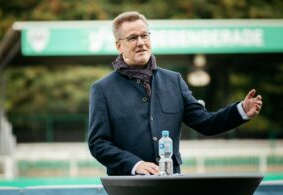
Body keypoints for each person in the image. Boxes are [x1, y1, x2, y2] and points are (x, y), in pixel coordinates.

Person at [88, 11, 263, 176]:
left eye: (145, 35)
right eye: (133, 38)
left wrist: (240, 111)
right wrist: (135, 164)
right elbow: (98, 143)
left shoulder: (174, 81)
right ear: (119, 45)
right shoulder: (103, 89)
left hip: (171, 183)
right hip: (127, 187)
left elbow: (206, 123)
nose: (141, 42)